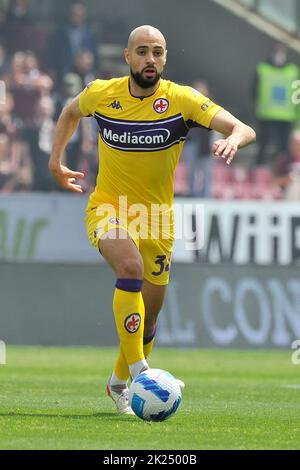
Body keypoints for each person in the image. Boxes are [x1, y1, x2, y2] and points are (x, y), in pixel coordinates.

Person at [49, 25, 256, 415]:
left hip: (157, 219)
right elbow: (69, 112)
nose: (150, 59)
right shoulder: (102, 93)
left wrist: (233, 139)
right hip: (109, 206)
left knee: (149, 316)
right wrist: (55, 162)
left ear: (165, 57)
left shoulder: (182, 100)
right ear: (127, 57)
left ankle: (117, 383)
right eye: (142, 52)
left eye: (157, 52)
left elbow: (244, 128)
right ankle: (144, 373)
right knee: (130, 266)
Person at [253, 43, 298, 166]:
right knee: (263, 145)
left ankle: (283, 170)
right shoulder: (262, 68)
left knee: (284, 148)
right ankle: (260, 169)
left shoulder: (292, 70)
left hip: (286, 116)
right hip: (266, 115)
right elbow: (254, 91)